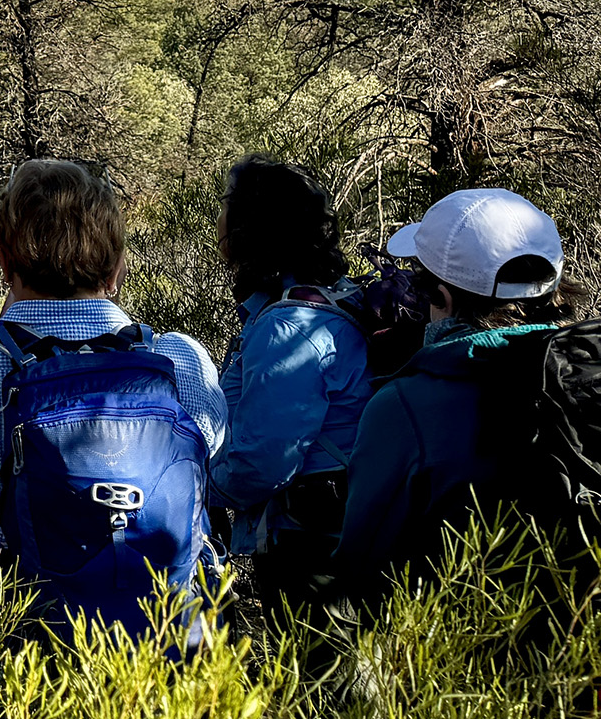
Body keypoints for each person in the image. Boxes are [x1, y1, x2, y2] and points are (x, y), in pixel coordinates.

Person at [0, 159, 228, 632]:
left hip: (22, 628)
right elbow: (207, 465)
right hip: (165, 629)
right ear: (118, 265)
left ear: (2, 258)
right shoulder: (180, 360)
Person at [332, 188, 578, 595]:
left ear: (442, 297)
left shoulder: (405, 406)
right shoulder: (586, 372)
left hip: (471, 638)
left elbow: (363, 567)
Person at [209, 156, 373, 611]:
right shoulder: (338, 293)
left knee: (320, 676)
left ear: (251, 226)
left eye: (226, 206)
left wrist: (198, 484)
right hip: (349, 527)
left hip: (311, 545)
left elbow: (263, 462)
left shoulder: (287, 327)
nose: (218, 219)